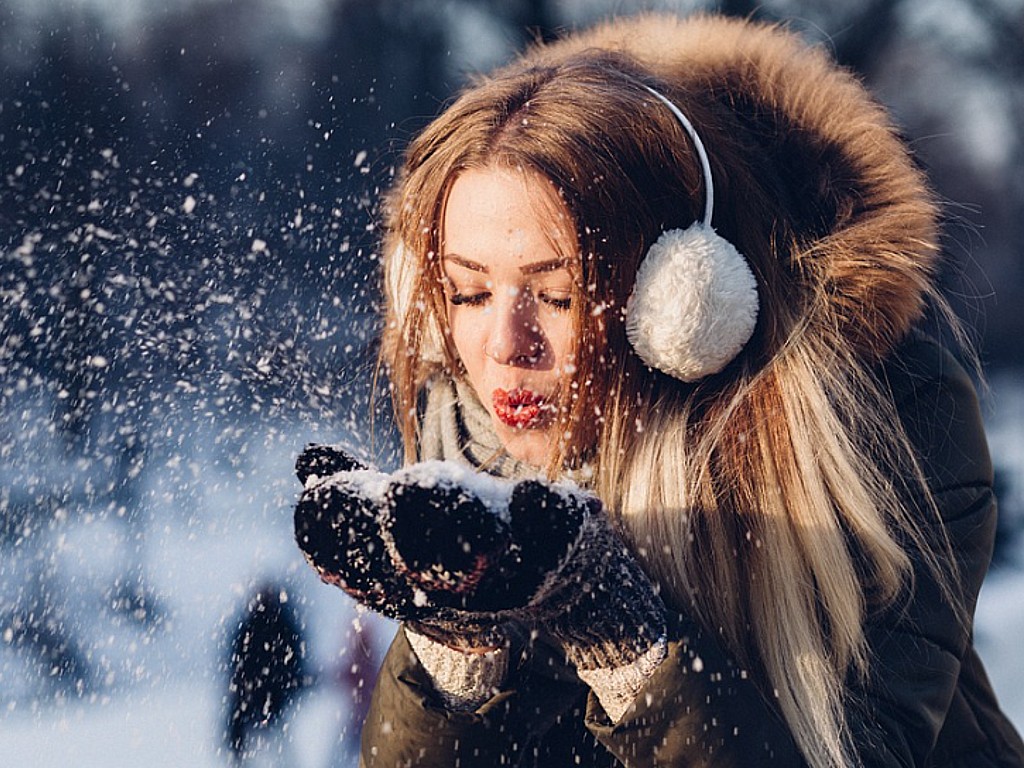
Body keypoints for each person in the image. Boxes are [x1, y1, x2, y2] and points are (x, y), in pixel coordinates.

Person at [292, 12, 1024, 768]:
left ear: (681, 301)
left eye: (558, 294)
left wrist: (627, 648)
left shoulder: (886, 428)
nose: (506, 348)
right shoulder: (467, 446)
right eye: (469, 294)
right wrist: (455, 662)